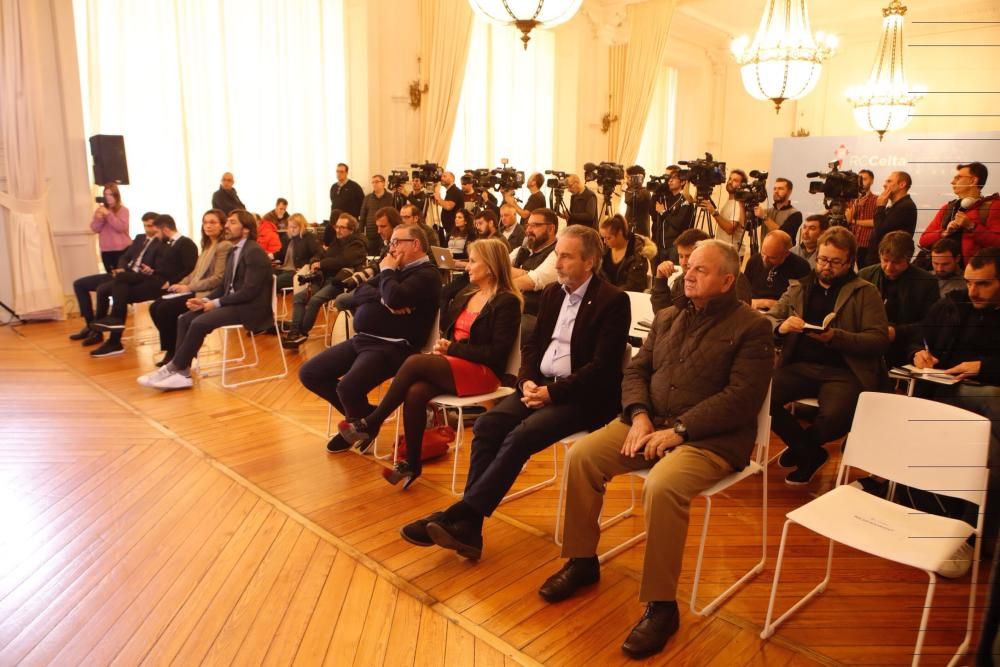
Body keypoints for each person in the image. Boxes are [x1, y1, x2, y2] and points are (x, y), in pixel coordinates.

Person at [540, 240, 773, 660]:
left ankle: (661, 606)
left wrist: (682, 429)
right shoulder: (667, 317)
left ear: (727, 279)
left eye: (700, 269)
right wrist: (640, 413)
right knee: (582, 457)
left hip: (710, 438)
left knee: (662, 487)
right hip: (650, 423)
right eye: (688, 266)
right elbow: (636, 370)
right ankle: (581, 560)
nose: (688, 274)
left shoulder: (751, 327)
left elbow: (742, 397)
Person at [399, 225, 630, 560]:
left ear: (590, 262)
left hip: (585, 397)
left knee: (520, 436)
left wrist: (553, 394)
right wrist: (526, 382)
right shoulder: (552, 294)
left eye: (566, 256)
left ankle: (458, 516)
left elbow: (602, 367)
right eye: (558, 255)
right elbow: (533, 346)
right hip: (540, 387)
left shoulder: (613, 300)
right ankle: (469, 528)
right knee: (488, 426)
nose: (558, 262)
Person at [339, 238, 522, 487]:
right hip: (458, 364)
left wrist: (452, 348)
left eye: (473, 261)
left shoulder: (506, 301)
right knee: (415, 392)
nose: (467, 266)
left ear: (490, 266)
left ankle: (372, 421)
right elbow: (450, 325)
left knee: (415, 362)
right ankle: (412, 464)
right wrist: (445, 345)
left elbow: (496, 355)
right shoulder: (468, 294)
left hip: (485, 373)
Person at [300, 224, 443, 453]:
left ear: (415, 244)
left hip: (394, 347)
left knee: (348, 388)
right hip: (364, 340)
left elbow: (395, 297)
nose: (391, 247)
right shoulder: (395, 270)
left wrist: (387, 277)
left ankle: (361, 423)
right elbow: (359, 293)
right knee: (309, 373)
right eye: (392, 242)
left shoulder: (428, 274)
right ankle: (365, 418)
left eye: (396, 242)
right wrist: (385, 296)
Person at [767, 226, 889, 484]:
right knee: (761, 398)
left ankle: (804, 448)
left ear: (850, 262)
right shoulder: (800, 287)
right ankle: (810, 452)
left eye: (835, 262)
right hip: (799, 364)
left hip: (843, 370)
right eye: (822, 259)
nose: (826, 267)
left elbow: (878, 339)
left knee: (835, 417)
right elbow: (768, 319)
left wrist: (836, 337)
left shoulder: (865, 292)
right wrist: (782, 326)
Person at [137, 210, 273, 390]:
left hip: (250, 308)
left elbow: (249, 291)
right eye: (227, 222)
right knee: (185, 318)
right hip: (234, 302)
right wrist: (205, 300)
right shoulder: (235, 251)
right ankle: (182, 372)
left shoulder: (254, 251)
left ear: (246, 229)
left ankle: (174, 367)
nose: (226, 226)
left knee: (199, 322)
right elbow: (224, 287)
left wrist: (215, 304)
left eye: (232, 222)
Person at [90, 214, 199, 358]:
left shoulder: (186, 243)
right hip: (155, 278)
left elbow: (189, 269)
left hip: (163, 284)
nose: (157, 236)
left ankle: (115, 328)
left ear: (165, 230)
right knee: (120, 286)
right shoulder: (167, 244)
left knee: (121, 284)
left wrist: (172, 282)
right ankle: (114, 334)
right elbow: (165, 267)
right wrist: (152, 270)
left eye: (158, 232)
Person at [149, 209, 233, 367]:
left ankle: (175, 352)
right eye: (205, 222)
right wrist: (181, 284)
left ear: (222, 225)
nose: (208, 226)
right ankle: (172, 348)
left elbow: (218, 278)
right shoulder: (208, 245)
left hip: (207, 293)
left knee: (164, 309)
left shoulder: (224, 246)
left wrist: (188, 287)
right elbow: (195, 272)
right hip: (194, 289)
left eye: (213, 222)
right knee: (155, 306)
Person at [70, 212, 160, 347]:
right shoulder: (140, 238)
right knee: (79, 284)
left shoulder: (161, 244)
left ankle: (97, 332)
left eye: (151, 226)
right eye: (145, 226)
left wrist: (126, 274)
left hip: (133, 278)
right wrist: (122, 268)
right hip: (122, 274)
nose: (147, 229)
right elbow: (124, 257)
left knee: (102, 290)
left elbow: (155, 269)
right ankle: (90, 326)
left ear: (158, 226)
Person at [282, 213, 367, 347]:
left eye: (342, 227)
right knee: (299, 297)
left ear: (351, 229)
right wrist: (315, 260)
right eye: (336, 226)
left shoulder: (357, 244)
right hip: (324, 279)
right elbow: (323, 255)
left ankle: (301, 333)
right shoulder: (337, 241)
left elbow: (343, 261)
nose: (337, 230)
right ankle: (294, 332)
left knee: (315, 300)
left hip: (340, 282)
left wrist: (321, 264)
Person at [858, 231, 939, 367]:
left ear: (908, 259)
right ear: (879, 255)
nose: (889, 267)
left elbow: (931, 323)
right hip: (867, 344)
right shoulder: (864, 275)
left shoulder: (926, 282)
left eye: (896, 262)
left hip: (907, 348)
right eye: (885, 260)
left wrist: (897, 332)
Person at [650, 229, 752, 311]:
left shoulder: (735, 280)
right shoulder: (682, 280)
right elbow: (664, 317)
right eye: (681, 256)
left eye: (688, 256)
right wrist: (660, 282)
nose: (684, 262)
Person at [919, 162, 1000, 264]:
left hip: (972, 274)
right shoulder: (947, 208)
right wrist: (944, 233)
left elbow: (997, 244)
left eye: (958, 178)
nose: (952, 182)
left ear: (973, 180)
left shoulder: (993, 207)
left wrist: (972, 226)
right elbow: (923, 241)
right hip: (941, 272)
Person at [510, 208, 559, 335]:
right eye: (528, 225)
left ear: (550, 229)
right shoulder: (525, 249)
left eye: (535, 225)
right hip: (515, 307)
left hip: (535, 314)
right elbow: (497, 266)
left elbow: (531, 282)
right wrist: (522, 273)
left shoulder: (557, 253)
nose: (528, 230)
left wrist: (503, 279)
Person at [743, 230, 811, 311]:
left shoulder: (801, 267)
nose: (765, 260)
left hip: (781, 315)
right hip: (754, 310)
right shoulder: (754, 261)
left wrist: (770, 304)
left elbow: (799, 304)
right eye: (763, 253)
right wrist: (763, 302)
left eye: (772, 257)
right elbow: (743, 292)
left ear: (786, 254)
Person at [864, 170, 916, 266]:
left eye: (889, 181)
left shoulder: (905, 206)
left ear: (902, 184)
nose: (884, 185)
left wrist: (880, 207)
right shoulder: (895, 206)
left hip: (888, 263)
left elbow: (881, 231)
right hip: (879, 260)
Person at [699, 169, 748, 258]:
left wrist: (714, 212)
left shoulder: (738, 204)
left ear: (742, 186)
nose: (730, 182)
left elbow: (730, 229)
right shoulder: (730, 201)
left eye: (735, 180)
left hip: (732, 253)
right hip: (724, 250)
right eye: (730, 179)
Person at [598, 214, 654, 292]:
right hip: (609, 294)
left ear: (620, 233)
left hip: (630, 296)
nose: (604, 241)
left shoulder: (637, 252)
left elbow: (634, 286)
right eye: (603, 237)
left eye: (608, 238)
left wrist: (610, 293)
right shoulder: (605, 251)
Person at [651, 166, 695, 262]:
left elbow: (679, 223)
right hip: (661, 246)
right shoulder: (665, 199)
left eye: (673, 178)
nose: (670, 181)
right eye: (669, 179)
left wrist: (663, 212)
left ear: (683, 182)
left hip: (676, 247)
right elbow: (652, 213)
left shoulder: (686, 200)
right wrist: (656, 192)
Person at [90, 183, 131, 272]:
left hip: (122, 250)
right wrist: (99, 218)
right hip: (106, 250)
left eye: (110, 194)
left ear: (116, 196)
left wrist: (108, 214)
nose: (108, 197)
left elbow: (121, 227)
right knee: (110, 277)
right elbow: (94, 229)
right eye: (106, 194)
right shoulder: (100, 209)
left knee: (122, 277)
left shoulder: (123, 210)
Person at [274, 213, 322, 290]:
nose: (291, 229)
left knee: (275, 281)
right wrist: (271, 256)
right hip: (284, 269)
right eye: (290, 227)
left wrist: (308, 266)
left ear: (301, 226)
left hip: (297, 271)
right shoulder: (287, 238)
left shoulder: (309, 238)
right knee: (265, 276)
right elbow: (281, 253)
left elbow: (318, 253)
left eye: (294, 227)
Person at [358, 174, 396, 255]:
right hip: (371, 233)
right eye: (373, 182)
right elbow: (363, 215)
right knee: (372, 255)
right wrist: (360, 231)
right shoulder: (367, 198)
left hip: (386, 232)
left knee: (385, 254)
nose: (374, 184)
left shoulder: (390, 197)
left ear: (383, 183)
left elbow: (394, 214)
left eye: (377, 182)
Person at [847, 169, 878, 258]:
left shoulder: (877, 199)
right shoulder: (850, 198)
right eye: (859, 179)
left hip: (866, 244)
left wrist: (854, 222)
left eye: (864, 179)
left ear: (871, 181)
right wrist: (856, 204)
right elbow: (847, 219)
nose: (861, 182)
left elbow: (876, 222)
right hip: (849, 243)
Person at [624, 165, 652, 237]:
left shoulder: (645, 192)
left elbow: (629, 200)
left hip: (640, 234)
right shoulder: (633, 190)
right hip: (631, 231)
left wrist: (634, 185)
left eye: (628, 177)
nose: (626, 181)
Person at [433, 171, 464, 235]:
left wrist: (439, 198)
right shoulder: (450, 191)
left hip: (454, 228)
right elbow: (444, 204)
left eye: (444, 176)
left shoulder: (454, 191)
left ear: (452, 179)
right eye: (442, 176)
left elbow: (448, 206)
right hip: (450, 228)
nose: (442, 178)